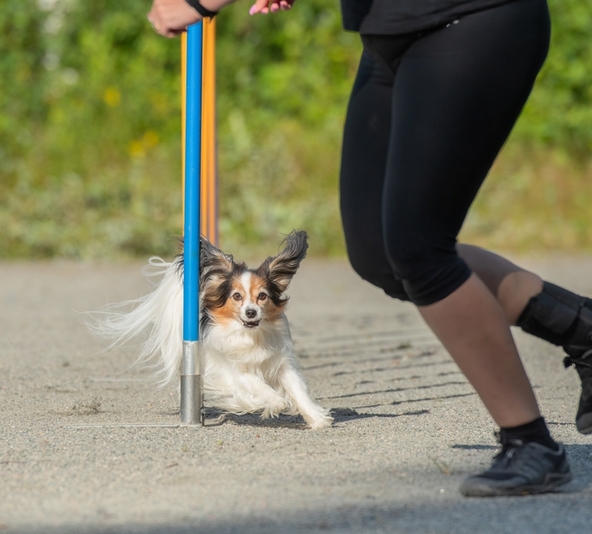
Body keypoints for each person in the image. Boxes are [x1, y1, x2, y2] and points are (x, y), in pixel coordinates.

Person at [146, 0, 592, 497]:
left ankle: (531, 443)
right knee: (379, 253)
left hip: (472, 20)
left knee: (418, 248)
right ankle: (582, 328)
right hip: (388, 36)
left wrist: (197, 2)